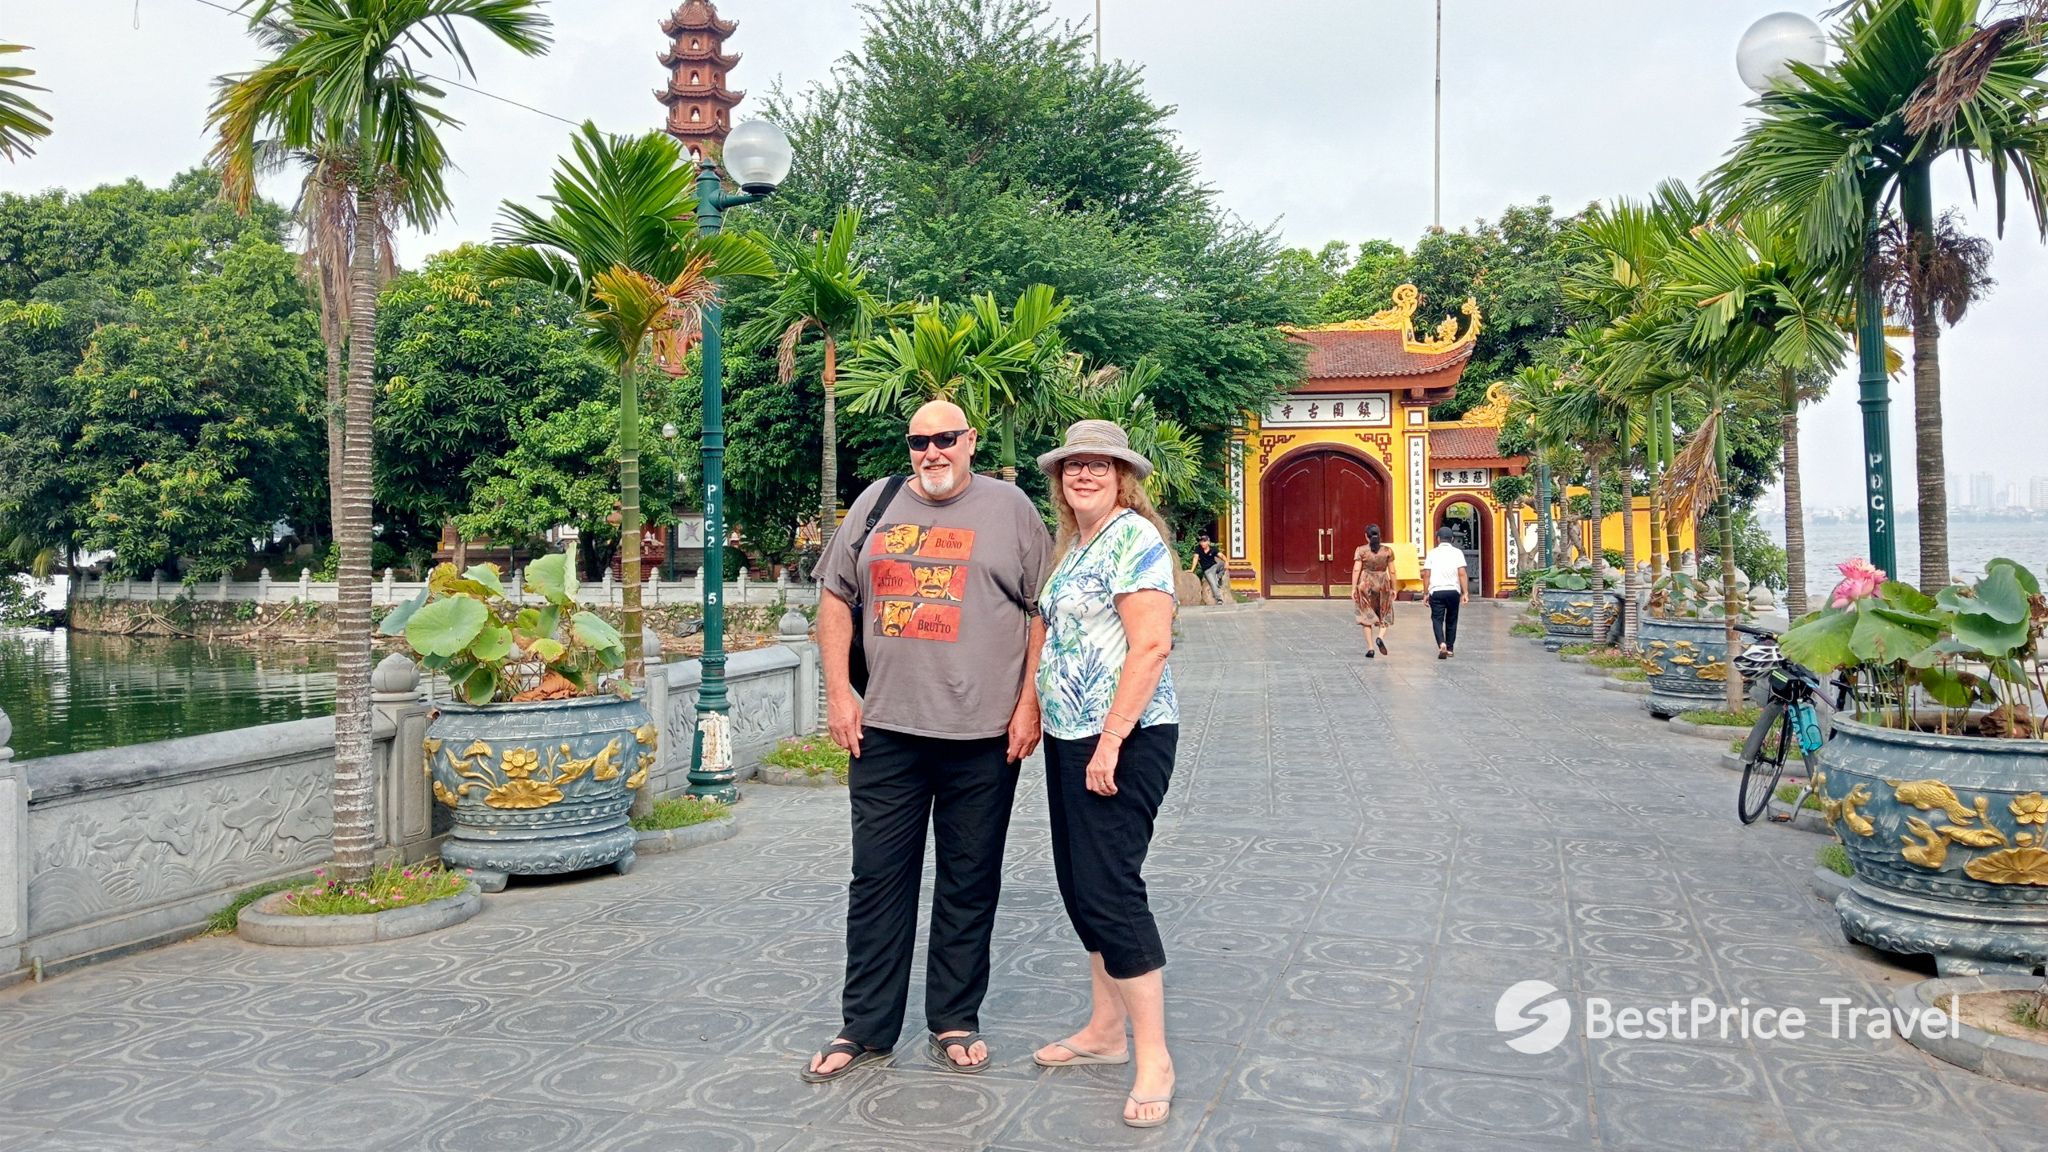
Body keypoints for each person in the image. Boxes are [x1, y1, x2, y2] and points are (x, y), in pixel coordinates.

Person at [802, 399, 1052, 1082]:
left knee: (969, 881)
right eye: (919, 441)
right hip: (886, 730)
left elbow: (1042, 613)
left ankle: (954, 1016)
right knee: (877, 879)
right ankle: (865, 1025)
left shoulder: (1012, 510)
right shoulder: (875, 503)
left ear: (970, 441)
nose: (932, 452)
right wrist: (838, 691)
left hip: (983, 735)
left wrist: (1028, 703)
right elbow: (833, 596)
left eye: (945, 438)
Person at [1028, 419, 1181, 1129]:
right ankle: (1102, 1030)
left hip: (1125, 735)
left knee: (1111, 888)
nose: (1083, 475)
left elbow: (1150, 646)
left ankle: (1153, 1054)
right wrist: (1031, 710)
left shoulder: (1135, 538)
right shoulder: (1076, 545)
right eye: (1072, 467)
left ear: (1124, 478)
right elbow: (1055, 636)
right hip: (1071, 734)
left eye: (1099, 465)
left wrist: (1112, 740)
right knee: (1079, 884)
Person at [1422, 524, 1469, 659]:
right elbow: (1461, 573)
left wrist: (1425, 593)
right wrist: (1465, 592)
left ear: (1438, 539)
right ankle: (1449, 648)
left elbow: (1426, 574)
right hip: (1453, 591)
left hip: (1436, 591)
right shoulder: (1457, 553)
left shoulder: (1432, 553)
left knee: (1437, 619)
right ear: (1452, 539)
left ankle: (1441, 643)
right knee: (1452, 619)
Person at [1351, 523, 1395, 657]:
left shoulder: (1361, 550)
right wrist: (1394, 588)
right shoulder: (1387, 551)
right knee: (1384, 611)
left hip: (1366, 583)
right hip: (1383, 583)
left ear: (1366, 536)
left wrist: (1354, 587)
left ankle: (1370, 648)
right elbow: (1392, 571)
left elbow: (1356, 569)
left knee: (1366, 615)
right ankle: (1380, 637)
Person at [1191, 530, 1226, 604]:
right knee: (1213, 583)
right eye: (1201, 541)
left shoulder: (1213, 549)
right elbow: (1195, 558)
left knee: (1223, 563)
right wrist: (1192, 570)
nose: (1202, 543)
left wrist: (1227, 562)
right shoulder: (1198, 549)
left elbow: (1222, 556)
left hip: (1215, 566)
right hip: (1207, 571)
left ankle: (1219, 576)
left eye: (1204, 541)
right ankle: (1219, 599)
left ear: (1208, 542)